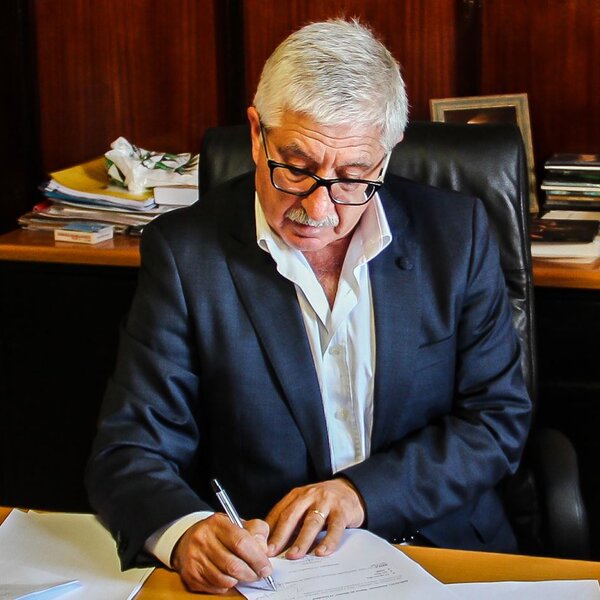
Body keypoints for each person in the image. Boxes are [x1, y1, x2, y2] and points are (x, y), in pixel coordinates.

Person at [85, 18, 531, 595]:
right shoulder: (185, 255)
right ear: (257, 134)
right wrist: (185, 531)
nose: (318, 210)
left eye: (352, 176)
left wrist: (361, 494)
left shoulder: (456, 234)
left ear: (387, 154)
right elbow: (130, 448)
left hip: (442, 551)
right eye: (296, 168)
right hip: (272, 566)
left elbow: (496, 419)